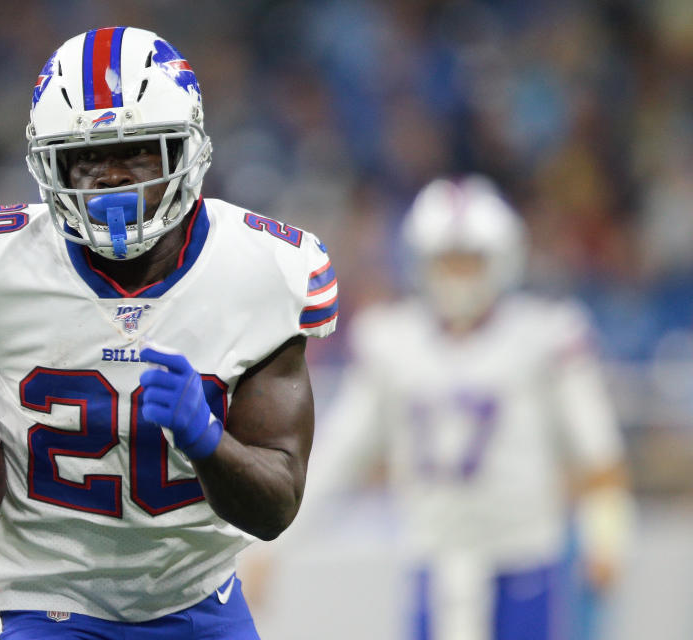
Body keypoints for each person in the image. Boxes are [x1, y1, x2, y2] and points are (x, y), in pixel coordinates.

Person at [0, 26, 337, 640]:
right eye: (85, 157)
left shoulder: (263, 274)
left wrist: (208, 442)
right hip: (41, 593)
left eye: (136, 151)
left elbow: (276, 508)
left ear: (185, 152)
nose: (110, 178)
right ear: (50, 164)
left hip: (196, 595)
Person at [253, 176, 632, 640]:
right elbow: (339, 457)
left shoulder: (546, 336)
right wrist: (272, 544)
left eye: (470, 261)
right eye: (446, 261)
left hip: (525, 557)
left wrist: (607, 537)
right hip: (433, 558)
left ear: (501, 261)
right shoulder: (392, 342)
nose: (457, 275)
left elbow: (599, 455)